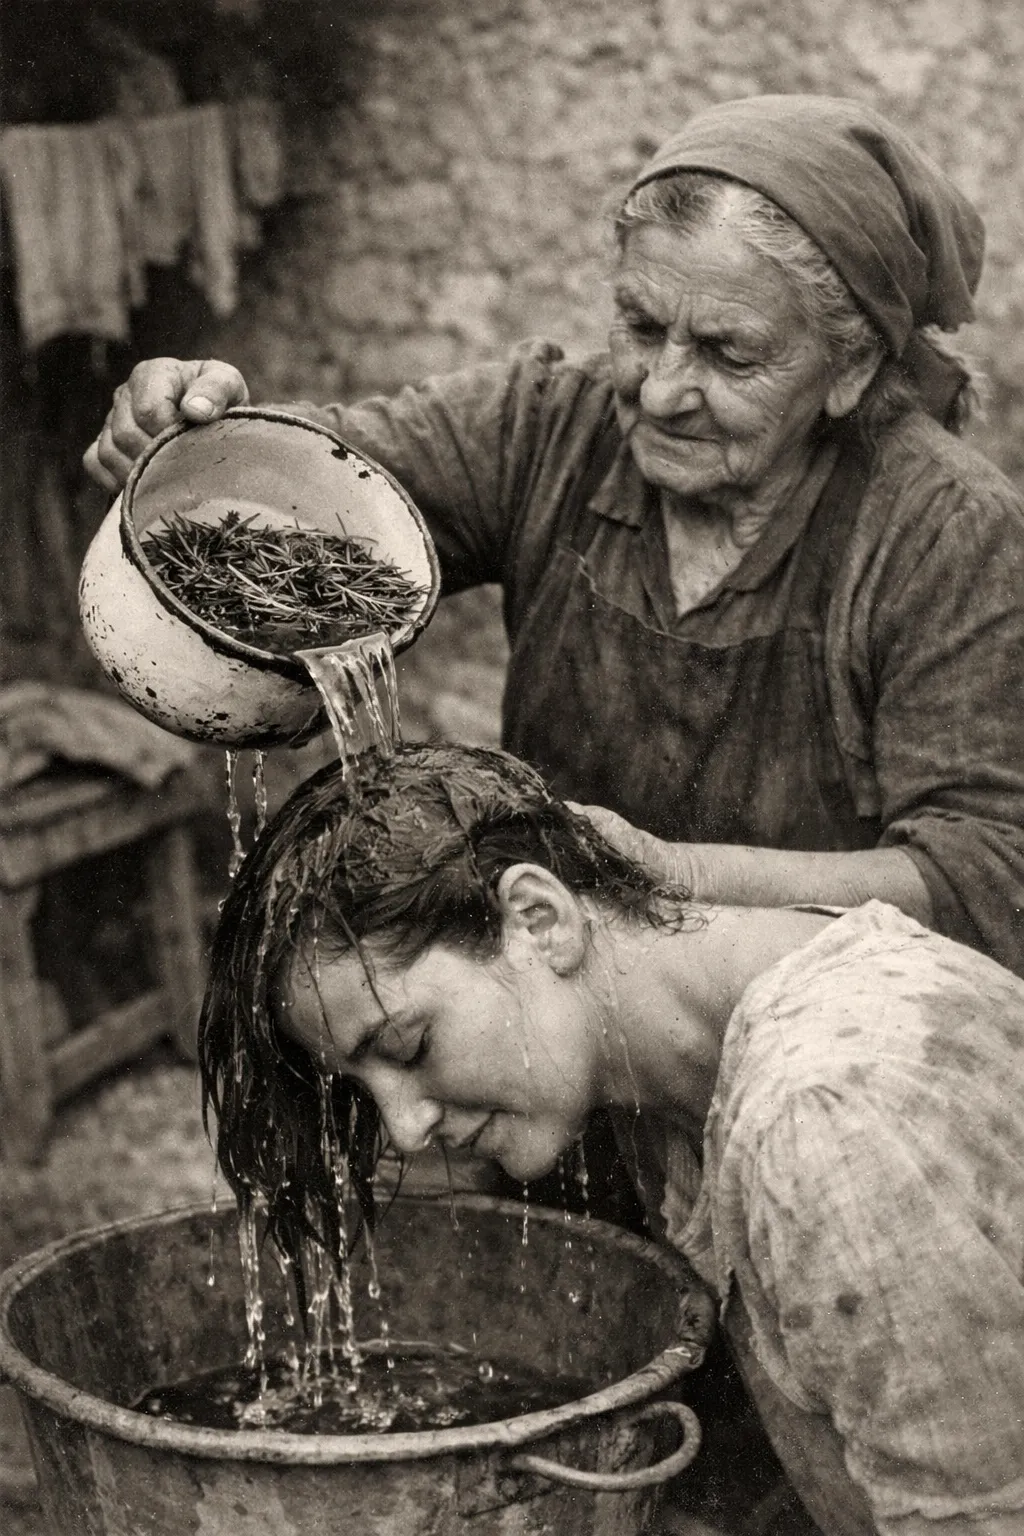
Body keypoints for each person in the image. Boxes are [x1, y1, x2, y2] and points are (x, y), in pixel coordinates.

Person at [84, 93, 1024, 979]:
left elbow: (983, 880)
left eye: (728, 354)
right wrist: (194, 429)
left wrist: (667, 871)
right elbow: (316, 486)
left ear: (850, 370)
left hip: (808, 1034)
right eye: (640, 325)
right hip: (549, 992)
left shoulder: (945, 535)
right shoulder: (550, 429)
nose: (659, 390)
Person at [199, 739, 1024, 1536]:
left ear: (540, 918)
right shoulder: (699, 1063)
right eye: (365, 1089)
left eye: (410, 1047)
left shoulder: (827, 1122)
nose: (408, 1130)